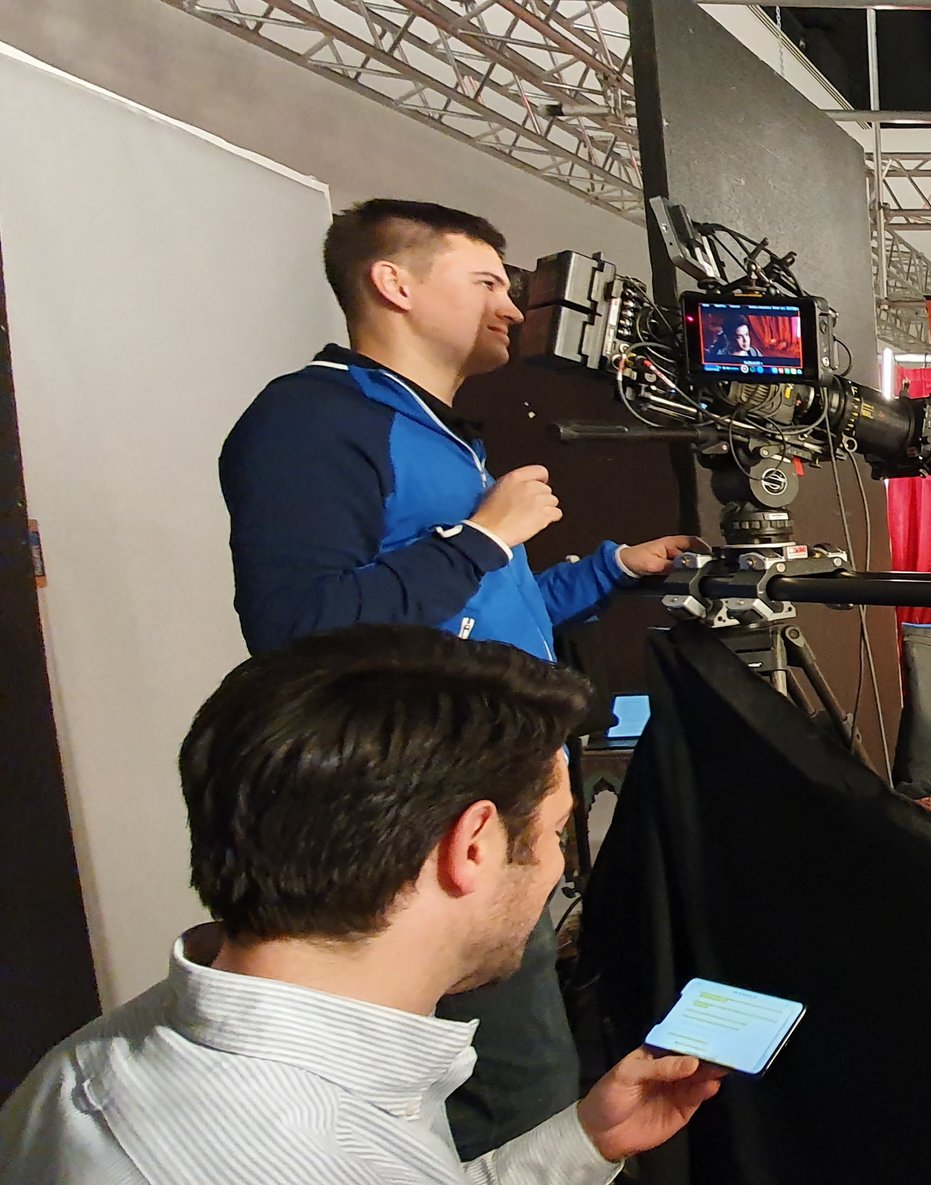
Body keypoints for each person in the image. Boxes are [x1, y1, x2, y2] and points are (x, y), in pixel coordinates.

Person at [217, 198, 701, 1158]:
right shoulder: (311, 419)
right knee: (517, 1085)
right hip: (422, 815)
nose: (513, 308)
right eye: (486, 281)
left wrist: (615, 567)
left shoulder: (444, 436)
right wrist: (482, 534)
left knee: (519, 1069)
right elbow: (295, 629)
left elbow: (481, 615)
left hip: (503, 798)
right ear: (394, 284)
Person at [0, 626, 726, 1185]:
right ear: (472, 845)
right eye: (554, 832)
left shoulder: (77, 1072)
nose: (558, 867)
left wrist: (580, 1141)